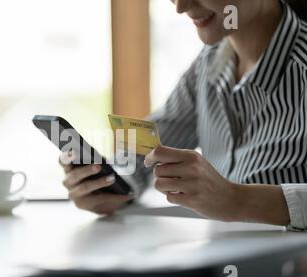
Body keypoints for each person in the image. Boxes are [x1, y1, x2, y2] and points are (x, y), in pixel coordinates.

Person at [59, 0, 307, 230]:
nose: (181, 6)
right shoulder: (209, 62)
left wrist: (240, 200)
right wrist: (107, 184)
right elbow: (150, 144)